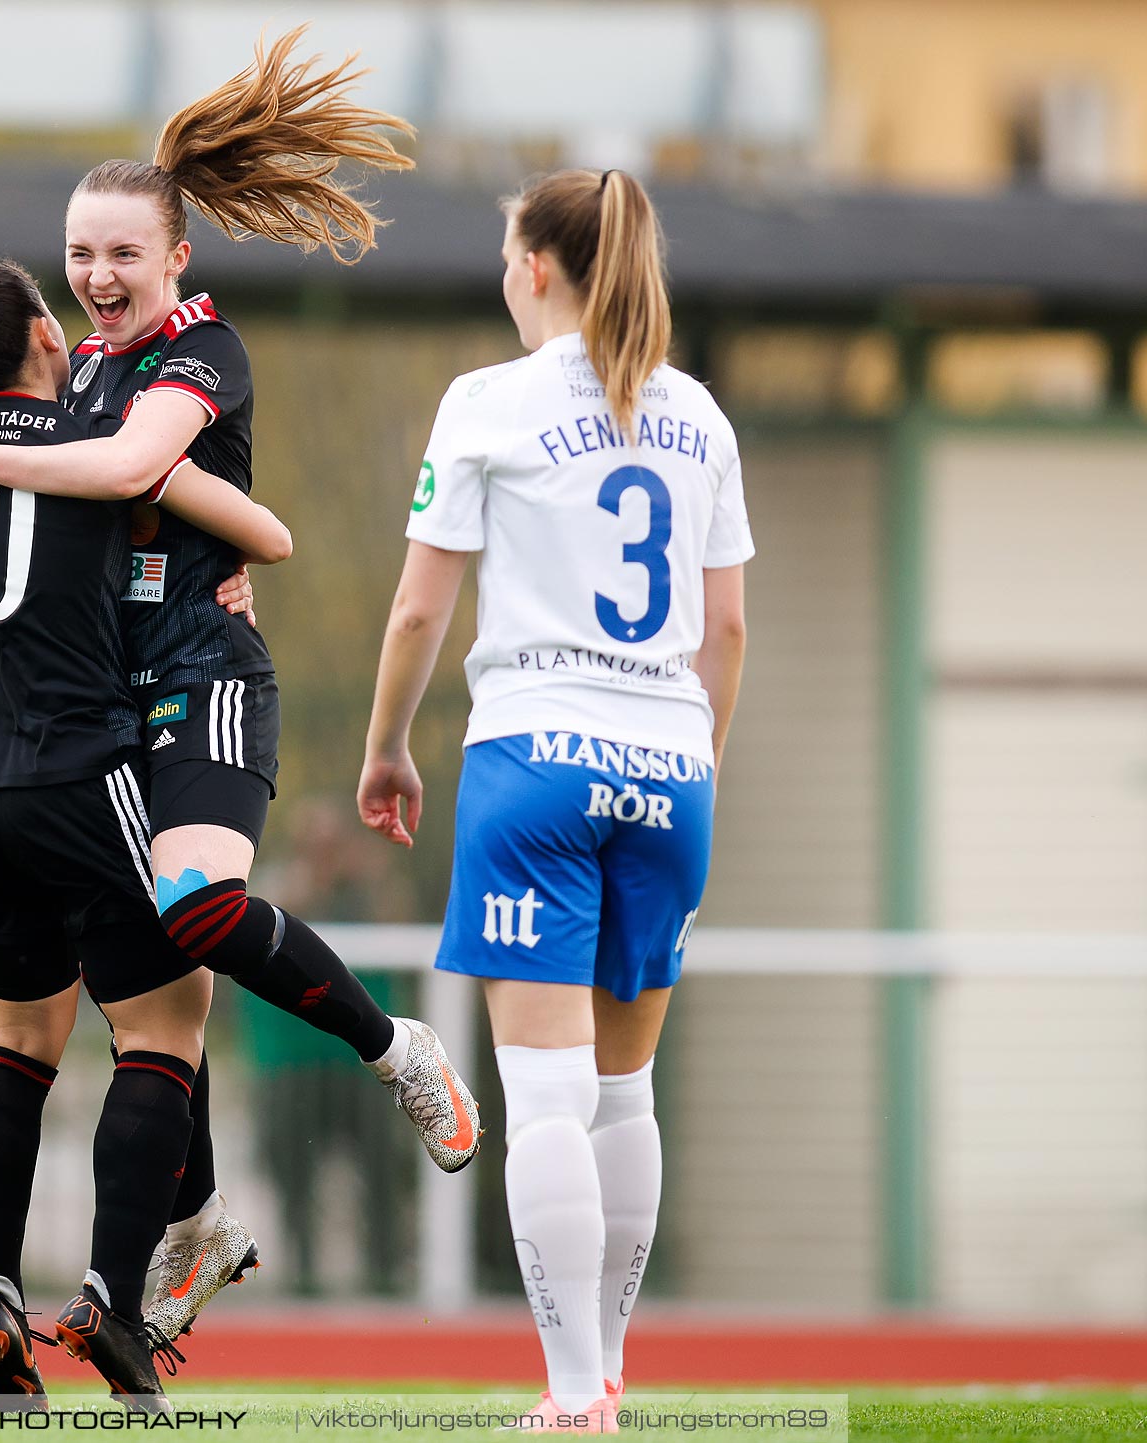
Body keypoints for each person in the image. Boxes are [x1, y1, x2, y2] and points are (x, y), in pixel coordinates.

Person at [0, 28, 482, 1348]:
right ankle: (201, 1223)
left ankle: (396, 1047)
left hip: (208, 679)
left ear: (178, 259)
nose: (100, 272)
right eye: (84, 251)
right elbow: (81, 477)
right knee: (155, 973)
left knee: (196, 903)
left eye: (126, 252)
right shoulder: (92, 370)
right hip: (123, 694)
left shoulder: (200, 353)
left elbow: (130, 472)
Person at [357, 168, 752, 1435]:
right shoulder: (699, 416)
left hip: (535, 757)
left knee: (544, 1101)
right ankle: (617, 1370)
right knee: (625, 1096)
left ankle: (576, 1396)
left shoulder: (488, 401)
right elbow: (728, 628)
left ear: (534, 269)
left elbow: (423, 605)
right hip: (670, 765)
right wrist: (695, 762)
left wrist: (387, 747)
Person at [0, 258, 291, 1409]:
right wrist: (232, 564)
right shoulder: (89, 447)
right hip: (81, 777)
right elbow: (208, 518)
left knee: (18, 1041)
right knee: (167, 1028)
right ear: (38, 330)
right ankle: (114, 1300)